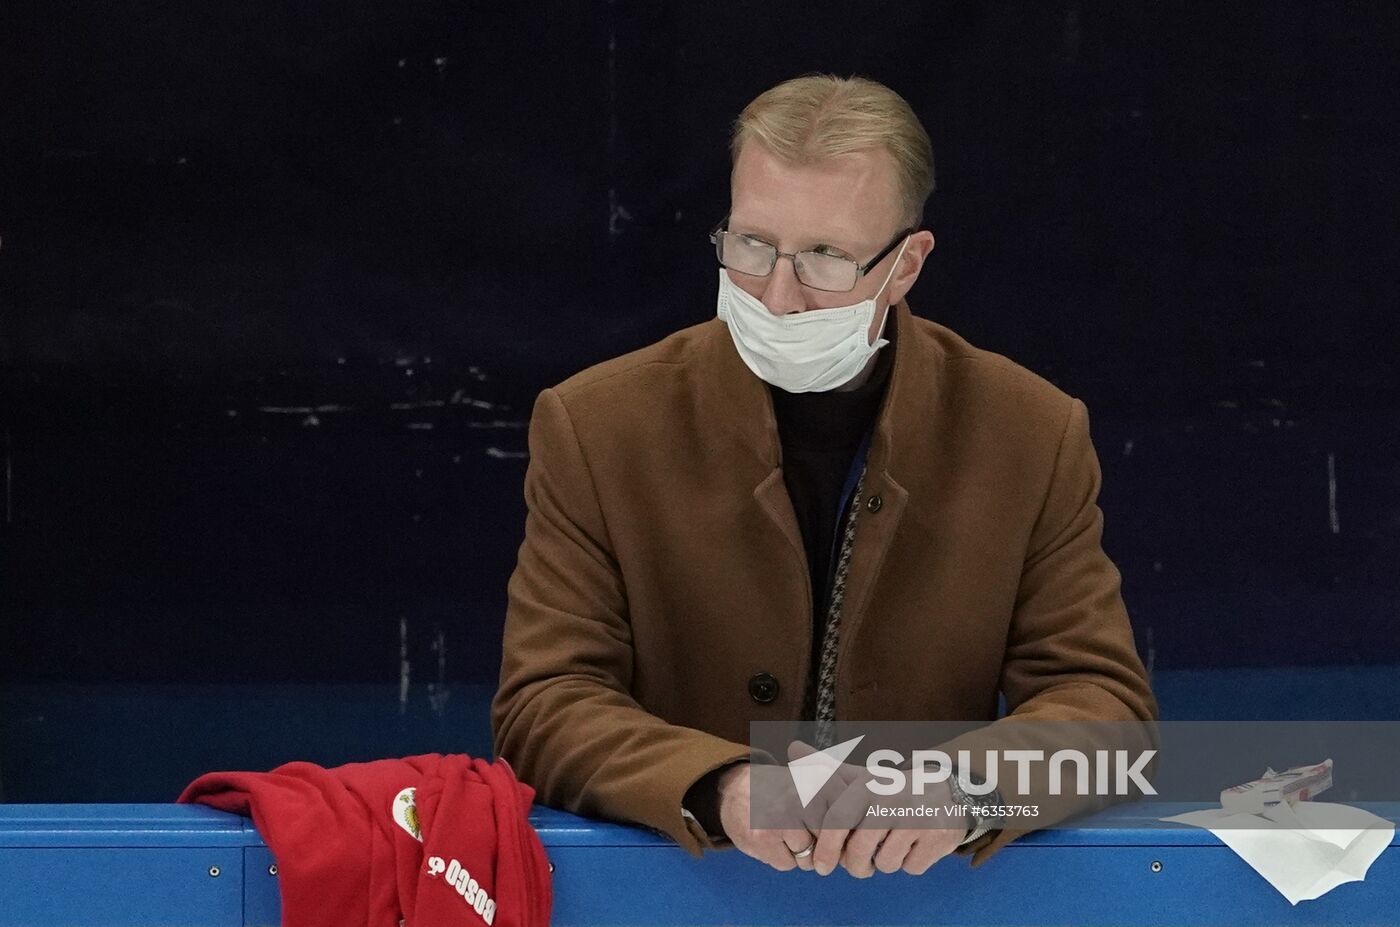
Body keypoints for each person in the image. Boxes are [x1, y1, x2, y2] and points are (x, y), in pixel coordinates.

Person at [491, 74, 1157, 879]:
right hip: (690, 892)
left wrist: (962, 789)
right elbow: (542, 704)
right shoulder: (596, 424)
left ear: (907, 264)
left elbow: (1111, 720)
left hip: (926, 897)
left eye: (826, 259)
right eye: (750, 244)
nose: (777, 295)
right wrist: (725, 786)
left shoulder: (1030, 431)